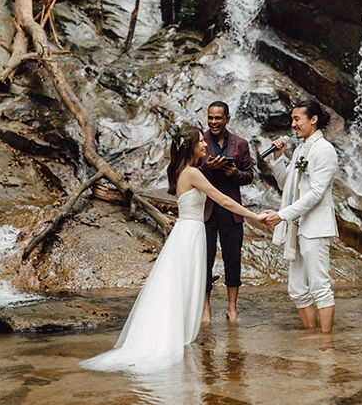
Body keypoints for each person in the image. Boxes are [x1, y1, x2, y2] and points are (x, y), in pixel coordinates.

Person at [82, 126, 265, 372]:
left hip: (186, 231)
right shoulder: (192, 173)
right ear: (190, 146)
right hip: (191, 233)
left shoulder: (181, 171)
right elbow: (222, 199)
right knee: (185, 283)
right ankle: (177, 336)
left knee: (179, 284)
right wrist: (255, 216)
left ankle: (179, 332)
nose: (205, 145)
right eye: (201, 141)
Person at [263, 100, 339, 334]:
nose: (293, 124)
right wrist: (278, 158)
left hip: (315, 226)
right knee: (297, 288)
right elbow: (288, 183)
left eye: (297, 119)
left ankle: (326, 344)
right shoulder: (299, 149)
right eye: (292, 119)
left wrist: (283, 215)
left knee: (319, 285)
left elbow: (316, 193)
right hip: (298, 226)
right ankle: (310, 339)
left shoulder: (324, 149)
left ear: (313, 119)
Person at [198, 101, 254, 324]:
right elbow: (188, 171)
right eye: (210, 118)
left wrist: (233, 173)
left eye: (218, 118)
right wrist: (207, 169)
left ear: (228, 118)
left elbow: (248, 176)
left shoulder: (240, 144)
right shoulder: (199, 141)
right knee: (205, 260)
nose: (213, 122)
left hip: (232, 211)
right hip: (206, 211)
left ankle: (232, 308)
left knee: (233, 259)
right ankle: (205, 307)